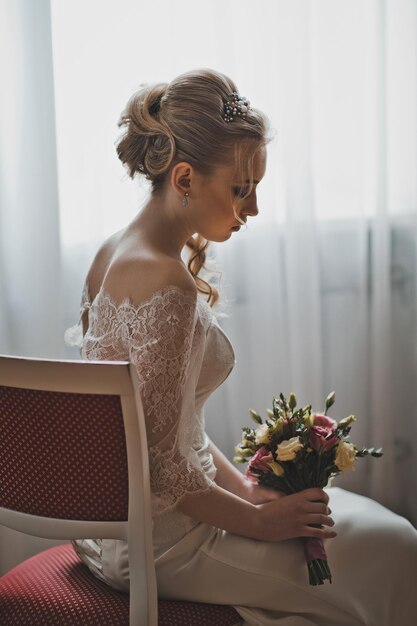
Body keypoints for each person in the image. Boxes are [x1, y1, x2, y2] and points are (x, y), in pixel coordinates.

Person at [65, 68, 417, 626]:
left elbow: (168, 429)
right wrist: (257, 523)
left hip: (122, 527)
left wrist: (251, 493)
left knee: (368, 526)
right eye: (240, 188)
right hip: (161, 544)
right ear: (184, 177)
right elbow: (161, 467)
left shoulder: (111, 251)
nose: (251, 209)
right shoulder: (166, 283)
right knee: (397, 546)